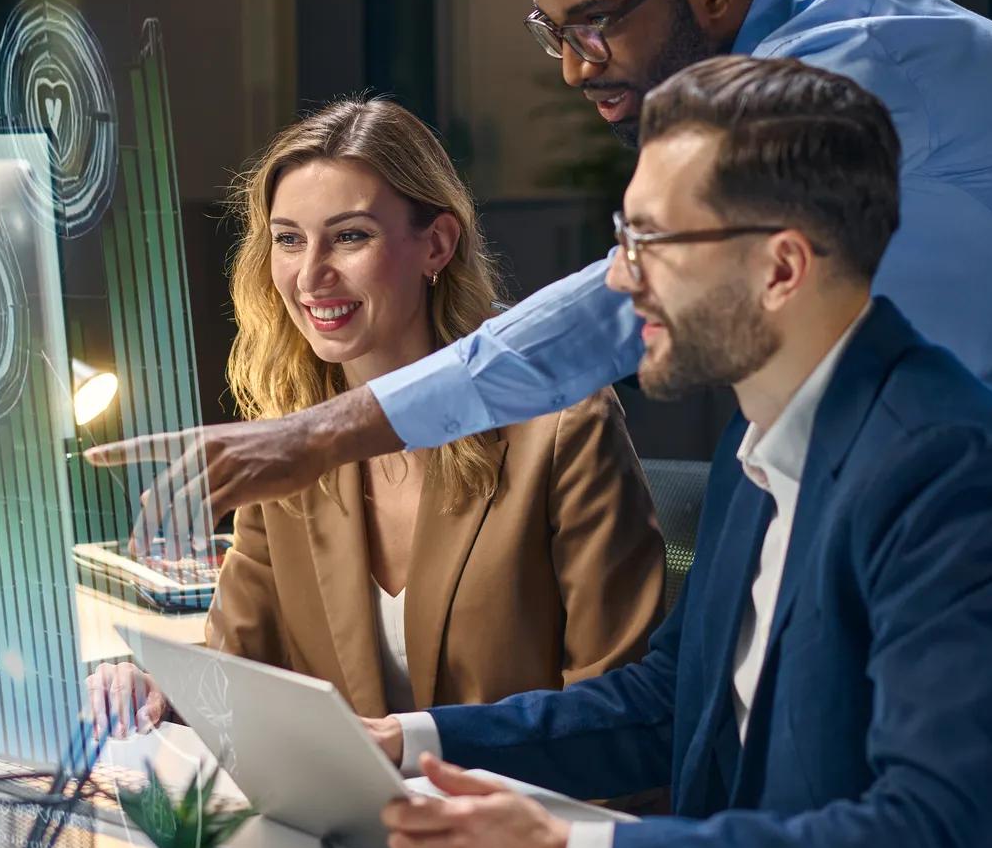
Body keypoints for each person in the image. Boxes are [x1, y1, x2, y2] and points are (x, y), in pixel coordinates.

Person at [89, 0, 992, 754]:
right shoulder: (788, 42)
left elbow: (614, 306)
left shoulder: (837, 75)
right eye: (552, 31)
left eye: (593, 22)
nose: (570, 67)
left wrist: (325, 430)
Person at [365, 57, 992, 848]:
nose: (622, 280)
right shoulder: (762, 440)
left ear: (781, 267)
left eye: (654, 242)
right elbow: (672, 702)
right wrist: (409, 739)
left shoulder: (951, 474)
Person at [89, 99, 664, 734]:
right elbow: (241, 670)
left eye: (351, 236)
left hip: (523, 820)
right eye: (288, 240)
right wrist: (160, 690)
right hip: (351, 825)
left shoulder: (563, 427)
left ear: (437, 245)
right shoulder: (288, 439)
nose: (311, 276)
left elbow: (620, 714)